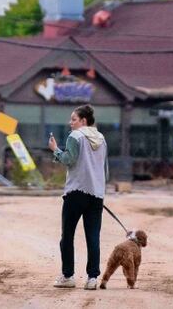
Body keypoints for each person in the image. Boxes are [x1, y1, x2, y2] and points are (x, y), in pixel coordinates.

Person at [48, 104, 107, 290]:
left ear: (83, 121)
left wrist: (55, 149)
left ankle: (68, 276)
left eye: (73, 119)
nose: (70, 123)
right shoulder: (101, 138)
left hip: (76, 192)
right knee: (93, 237)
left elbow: (68, 159)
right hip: (96, 194)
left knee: (67, 236)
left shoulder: (76, 136)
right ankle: (92, 278)